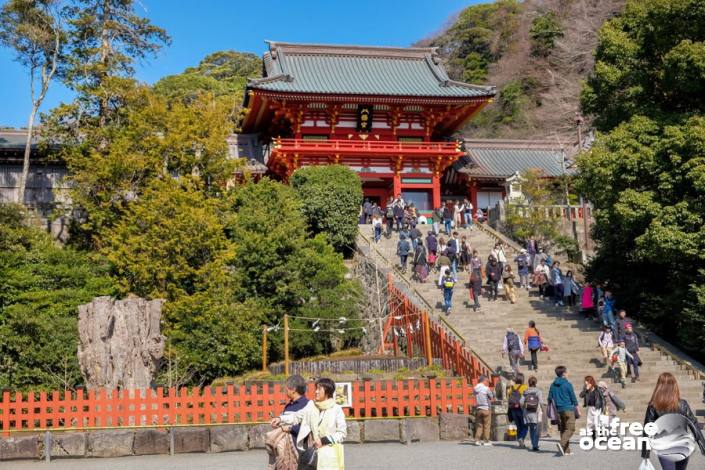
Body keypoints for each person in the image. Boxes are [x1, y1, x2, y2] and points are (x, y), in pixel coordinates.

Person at [273, 377, 347, 470]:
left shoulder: (336, 409)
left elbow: (342, 433)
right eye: (316, 388)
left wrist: (323, 440)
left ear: (327, 391)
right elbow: (297, 417)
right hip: (313, 452)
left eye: (319, 389)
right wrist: (280, 419)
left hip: (330, 454)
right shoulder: (311, 405)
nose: (316, 391)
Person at [641, 372, 705, 470]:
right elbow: (694, 424)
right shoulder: (682, 404)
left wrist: (645, 454)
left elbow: (647, 430)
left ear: (659, 387)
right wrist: (702, 446)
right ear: (675, 386)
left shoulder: (653, 406)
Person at [267, 375, 309, 470]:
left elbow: (307, 429)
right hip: (284, 450)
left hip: (298, 450)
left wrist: (290, 428)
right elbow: (285, 421)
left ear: (293, 389)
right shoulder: (289, 406)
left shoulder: (307, 405)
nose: (285, 390)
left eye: (286, 388)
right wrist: (279, 424)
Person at [548, 365, 579, 456]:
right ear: (564, 373)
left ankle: (566, 450)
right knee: (571, 428)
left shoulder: (553, 385)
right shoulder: (567, 384)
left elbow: (549, 398)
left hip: (558, 411)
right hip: (568, 409)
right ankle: (562, 444)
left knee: (563, 429)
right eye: (566, 372)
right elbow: (573, 398)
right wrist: (577, 409)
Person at [521, 376, 544, 452]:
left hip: (527, 413)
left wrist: (524, 408)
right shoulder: (538, 391)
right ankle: (535, 445)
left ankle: (533, 443)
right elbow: (541, 402)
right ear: (536, 382)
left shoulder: (525, 391)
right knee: (536, 429)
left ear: (529, 383)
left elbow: (521, 402)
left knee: (531, 429)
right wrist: (543, 410)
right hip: (535, 412)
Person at [579, 375, 605, 442]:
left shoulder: (597, 389)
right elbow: (581, 395)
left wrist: (603, 408)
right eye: (585, 381)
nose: (585, 382)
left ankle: (601, 437)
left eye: (586, 381)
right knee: (591, 423)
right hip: (590, 408)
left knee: (597, 423)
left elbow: (602, 399)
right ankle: (593, 438)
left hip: (597, 408)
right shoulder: (586, 389)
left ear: (590, 381)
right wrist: (586, 389)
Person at [507, 373, 529, 448]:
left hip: (513, 409)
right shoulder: (525, 387)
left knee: (518, 426)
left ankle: (521, 443)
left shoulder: (511, 388)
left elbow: (508, 397)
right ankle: (521, 438)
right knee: (525, 426)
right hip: (521, 409)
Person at [474, 375, 494, 446]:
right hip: (486, 408)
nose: (488, 383)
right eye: (487, 381)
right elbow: (491, 397)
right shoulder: (486, 388)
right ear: (484, 380)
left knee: (479, 425)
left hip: (478, 408)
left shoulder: (475, 388)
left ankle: (477, 440)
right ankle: (486, 440)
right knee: (486, 425)